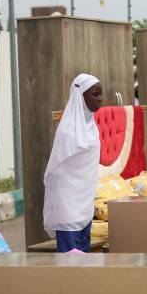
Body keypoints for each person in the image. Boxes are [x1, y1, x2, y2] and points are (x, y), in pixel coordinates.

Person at [44, 74, 102, 252]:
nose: (100, 99)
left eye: (100, 94)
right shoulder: (69, 130)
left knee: (84, 259)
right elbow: (57, 170)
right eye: (94, 94)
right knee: (71, 262)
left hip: (84, 203)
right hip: (68, 205)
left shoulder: (91, 126)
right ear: (80, 96)